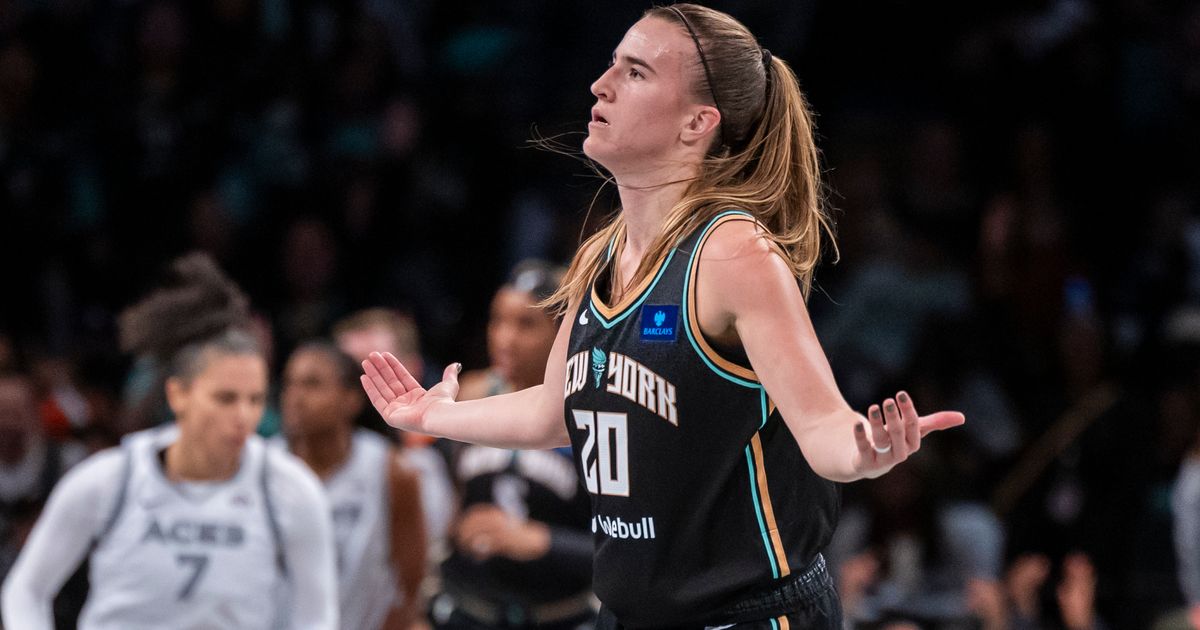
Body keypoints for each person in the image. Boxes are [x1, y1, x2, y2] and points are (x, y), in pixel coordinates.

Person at [360, 4, 964, 627]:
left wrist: (869, 450)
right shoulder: (602, 252)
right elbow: (554, 410)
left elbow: (825, 430)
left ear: (697, 122)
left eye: (636, 72)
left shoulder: (732, 251)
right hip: (629, 614)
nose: (601, 84)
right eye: (612, 64)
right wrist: (436, 414)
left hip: (746, 615)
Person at [1, 253, 338, 630]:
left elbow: (317, 616)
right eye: (225, 398)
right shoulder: (110, 479)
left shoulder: (290, 488)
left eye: (255, 399)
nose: (243, 415)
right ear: (178, 395)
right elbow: (26, 591)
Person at [434, 260, 594, 629]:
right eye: (497, 321)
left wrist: (542, 541)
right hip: (473, 608)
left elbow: (622, 545)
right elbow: (450, 512)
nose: (505, 338)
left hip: (560, 612)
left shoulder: (590, 409)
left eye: (526, 324)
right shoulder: (469, 395)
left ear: (561, 331)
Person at [279, 340, 427, 630]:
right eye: (289, 384)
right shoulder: (265, 469)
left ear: (351, 399)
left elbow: (410, 580)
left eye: (312, 385)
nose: (295, 397)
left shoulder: (389, 470)